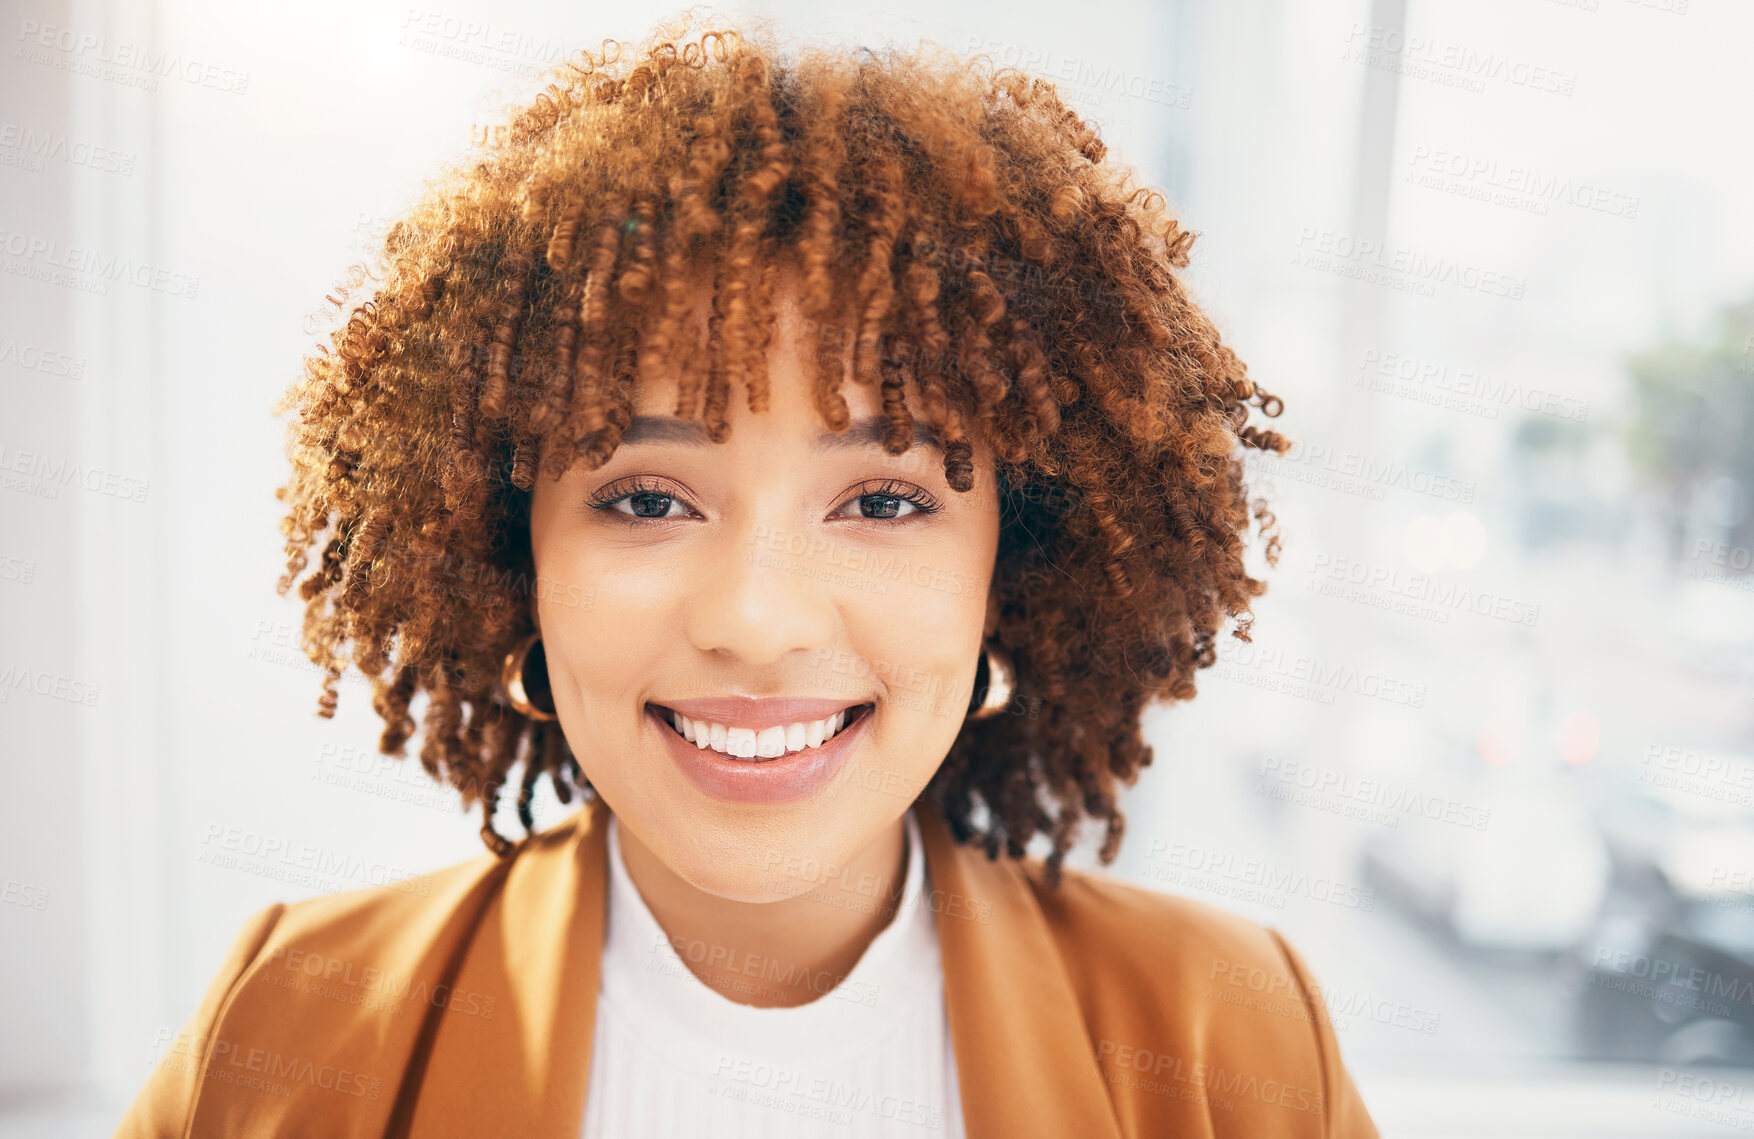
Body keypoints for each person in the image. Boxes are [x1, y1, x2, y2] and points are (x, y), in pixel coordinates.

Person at [115, 17, 1378, 1137]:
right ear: (518, 565)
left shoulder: (1238, 1052)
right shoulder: (281, 1037)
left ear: (1018, 567)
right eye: (646, 499)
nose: (757, 620)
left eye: (883, 498)